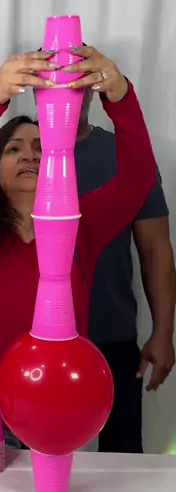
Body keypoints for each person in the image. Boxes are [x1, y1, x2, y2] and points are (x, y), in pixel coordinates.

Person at [0, 47, 157, 447]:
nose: (29, 155)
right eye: (13, 148)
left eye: (40, 147)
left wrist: (120, 96)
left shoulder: (82, 224)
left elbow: (138, 177)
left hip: (64, 409)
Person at [74, 89, 176, 452]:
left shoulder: (126, 155)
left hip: (111, 335)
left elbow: (155, 248)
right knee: (27, 464)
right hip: (31, 337)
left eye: (78, 81)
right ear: (38, 90)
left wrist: (163, 332)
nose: (67, 91)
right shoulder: (20, 152)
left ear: (92, 90)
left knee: (122, 464)